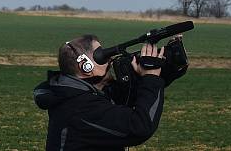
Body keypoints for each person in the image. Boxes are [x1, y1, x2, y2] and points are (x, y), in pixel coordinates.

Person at [34, 34, 166, 151]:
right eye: (101, 56)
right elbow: (139, 126)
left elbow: (130, 97)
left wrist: (169, 68)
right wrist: (151, 78)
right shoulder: (80, 107)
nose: (109, 60)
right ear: (86, 66)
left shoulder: (74, 93)